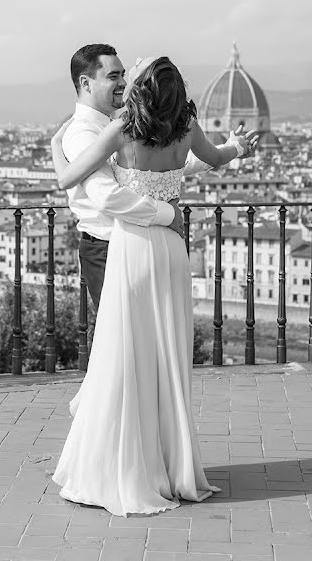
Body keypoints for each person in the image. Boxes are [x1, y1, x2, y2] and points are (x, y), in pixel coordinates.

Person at [50, 55, 258, 516]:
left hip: (131, 247)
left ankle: (121, 467)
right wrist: (238, 148)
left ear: (142, 84)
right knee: (167, 357)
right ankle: (171, 467)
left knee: (125, 358)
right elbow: (216, 158)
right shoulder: (185, 125)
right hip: (171, 249)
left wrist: (54, 143)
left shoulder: (124, 127)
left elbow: (69, 177)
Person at [59, 44, 185, 313]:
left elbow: (142, 174)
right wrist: (168, 214)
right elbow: (107, 197)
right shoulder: (83, 133)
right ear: (86, 83)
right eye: (113, 76)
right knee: (122, 340)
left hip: (129, 244)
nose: (124, 83)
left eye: (123, 75)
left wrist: (224, 153)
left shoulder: (113, 125)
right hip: (107, 248)